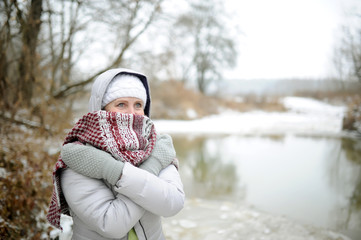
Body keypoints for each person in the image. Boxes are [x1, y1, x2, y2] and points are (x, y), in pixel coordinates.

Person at [47, 68, 185, 240]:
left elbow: (173, 203)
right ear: (101, 110)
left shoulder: (155, 148)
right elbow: (112, 224)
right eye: (121, 105)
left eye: (138, 105)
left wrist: (151, 163)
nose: (132, 113)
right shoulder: (78, 158)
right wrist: (120, 170)